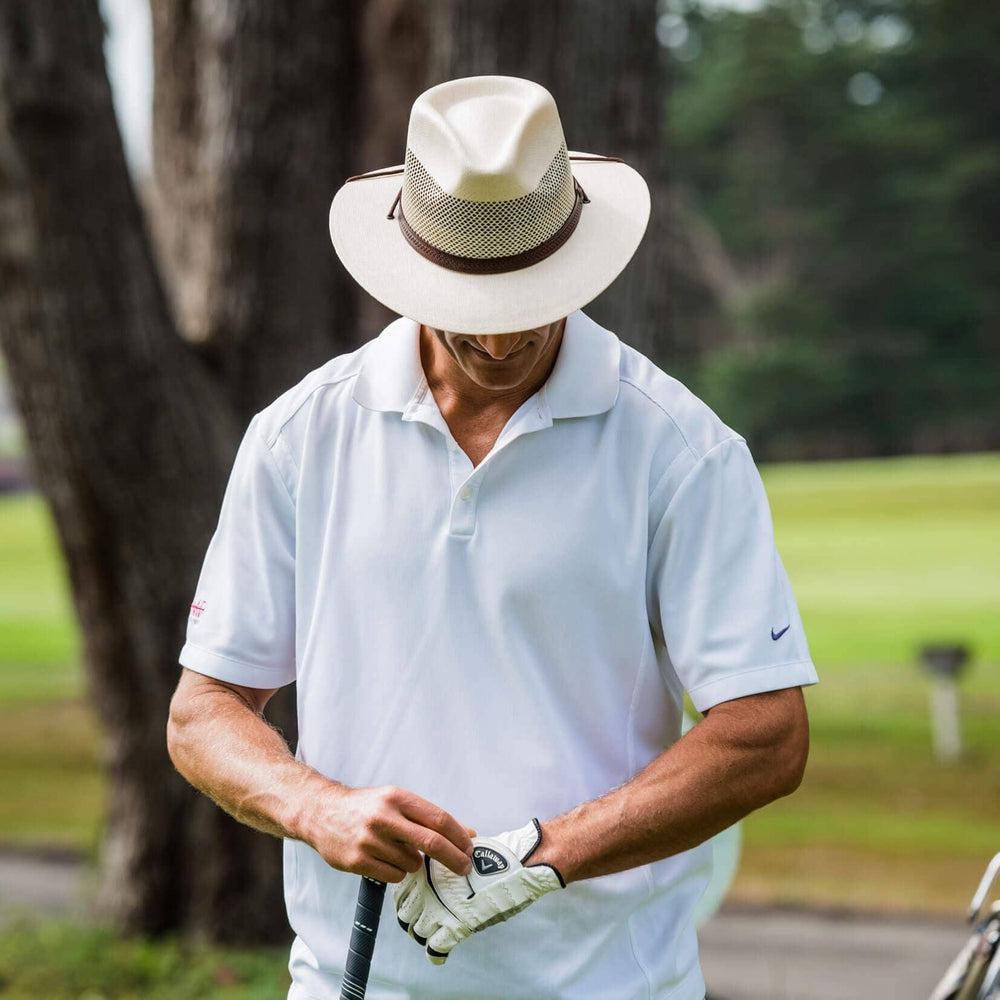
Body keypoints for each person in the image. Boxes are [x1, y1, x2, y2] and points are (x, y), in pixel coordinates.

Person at [166, 75, 818, 1000]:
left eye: (531, 299)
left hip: (608, 986)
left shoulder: (680, 449)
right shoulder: (301, 434)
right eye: (475, 308)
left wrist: (544, 855)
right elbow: (204, 712)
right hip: (350, 983)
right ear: (414, 264)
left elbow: (766, 735)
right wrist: (318, 808)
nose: (505, 343)